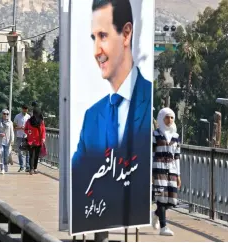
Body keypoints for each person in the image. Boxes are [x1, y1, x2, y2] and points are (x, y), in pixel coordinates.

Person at [70, 0, 152, 231]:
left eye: (103, 36)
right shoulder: (92, 116)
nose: (97, 51)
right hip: (96, 211)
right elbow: (79, 176)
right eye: (93, 38)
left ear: (126, 34)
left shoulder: (148, 100)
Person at [152, 107, 181, 236]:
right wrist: (151, 172)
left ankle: (156, 214)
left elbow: (177, 156)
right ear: (161, 118)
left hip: (172, 170)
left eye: (171, 117)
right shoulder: (156, 134)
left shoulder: (176, 137)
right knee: (161, 198)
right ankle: (163, 227)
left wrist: (178, 174)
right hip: (158, 168)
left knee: (171, 200)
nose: (169, 120)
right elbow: (152, 153)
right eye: (167, 117)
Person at [24, 107, 46, 175]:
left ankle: (35, 168)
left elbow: (43, 131)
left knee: (36, 156)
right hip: (31, 141)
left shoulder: (41, 122)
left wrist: (43, 138)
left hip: (38, 141)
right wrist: (28, 132)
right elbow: (25, 129)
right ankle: (31, 169)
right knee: (31, 155)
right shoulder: (29, 121)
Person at [0, 109, 14, 174]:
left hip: (7, 141)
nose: (6, 115)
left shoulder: (10, 122)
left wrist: (12, 141)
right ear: (2, 114)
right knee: (1, 154)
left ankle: (6, 166)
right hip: (0, 141)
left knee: (6, 155)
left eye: (7, 114)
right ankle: (2, 168)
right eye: (4, 114)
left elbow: (12, 132)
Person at [14, 104, 31, 172]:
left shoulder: (29, 117)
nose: (25, 110)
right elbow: (14, 127)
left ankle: (27, 166)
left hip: (27, 137)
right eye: (24, 109)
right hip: (19, 136)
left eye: (26, 109)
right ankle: (21, 166)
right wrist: (20, 128)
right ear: (22, 109)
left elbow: (31, 127)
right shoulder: (17, 116)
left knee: (27, 152)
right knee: (20, 152)